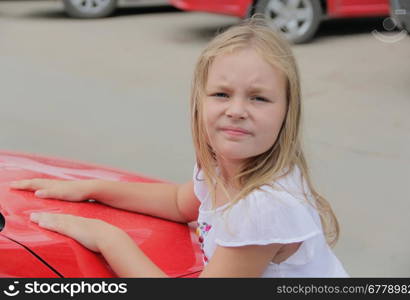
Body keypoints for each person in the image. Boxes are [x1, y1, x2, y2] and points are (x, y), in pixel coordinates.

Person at [10, 17, 348, 278]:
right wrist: (90, 189)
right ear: (199, 103)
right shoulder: (222, 167)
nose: (236, 110)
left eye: (258, 98)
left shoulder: (264, 208)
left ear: (288, 112)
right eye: (221, 94)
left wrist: (106, 238)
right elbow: (177, 202)